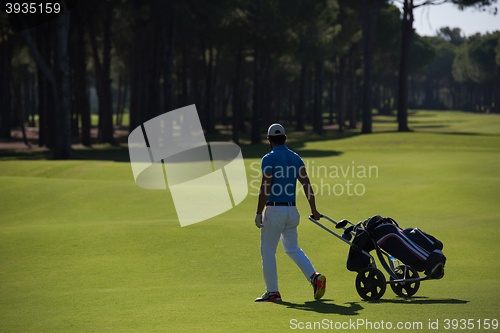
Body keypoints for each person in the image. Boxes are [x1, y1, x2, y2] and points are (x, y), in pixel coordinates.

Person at [254, 123, 326, 302]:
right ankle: (314, 277)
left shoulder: (268, 158)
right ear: (285, 138)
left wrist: (258, 212)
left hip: (275, 210)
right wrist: (314, 209)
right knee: (292, 248)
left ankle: (273, 292)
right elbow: (306, 184)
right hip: (292, 211)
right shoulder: (295, 157)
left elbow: (265, 186)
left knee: (268, 251)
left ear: (269, 140)